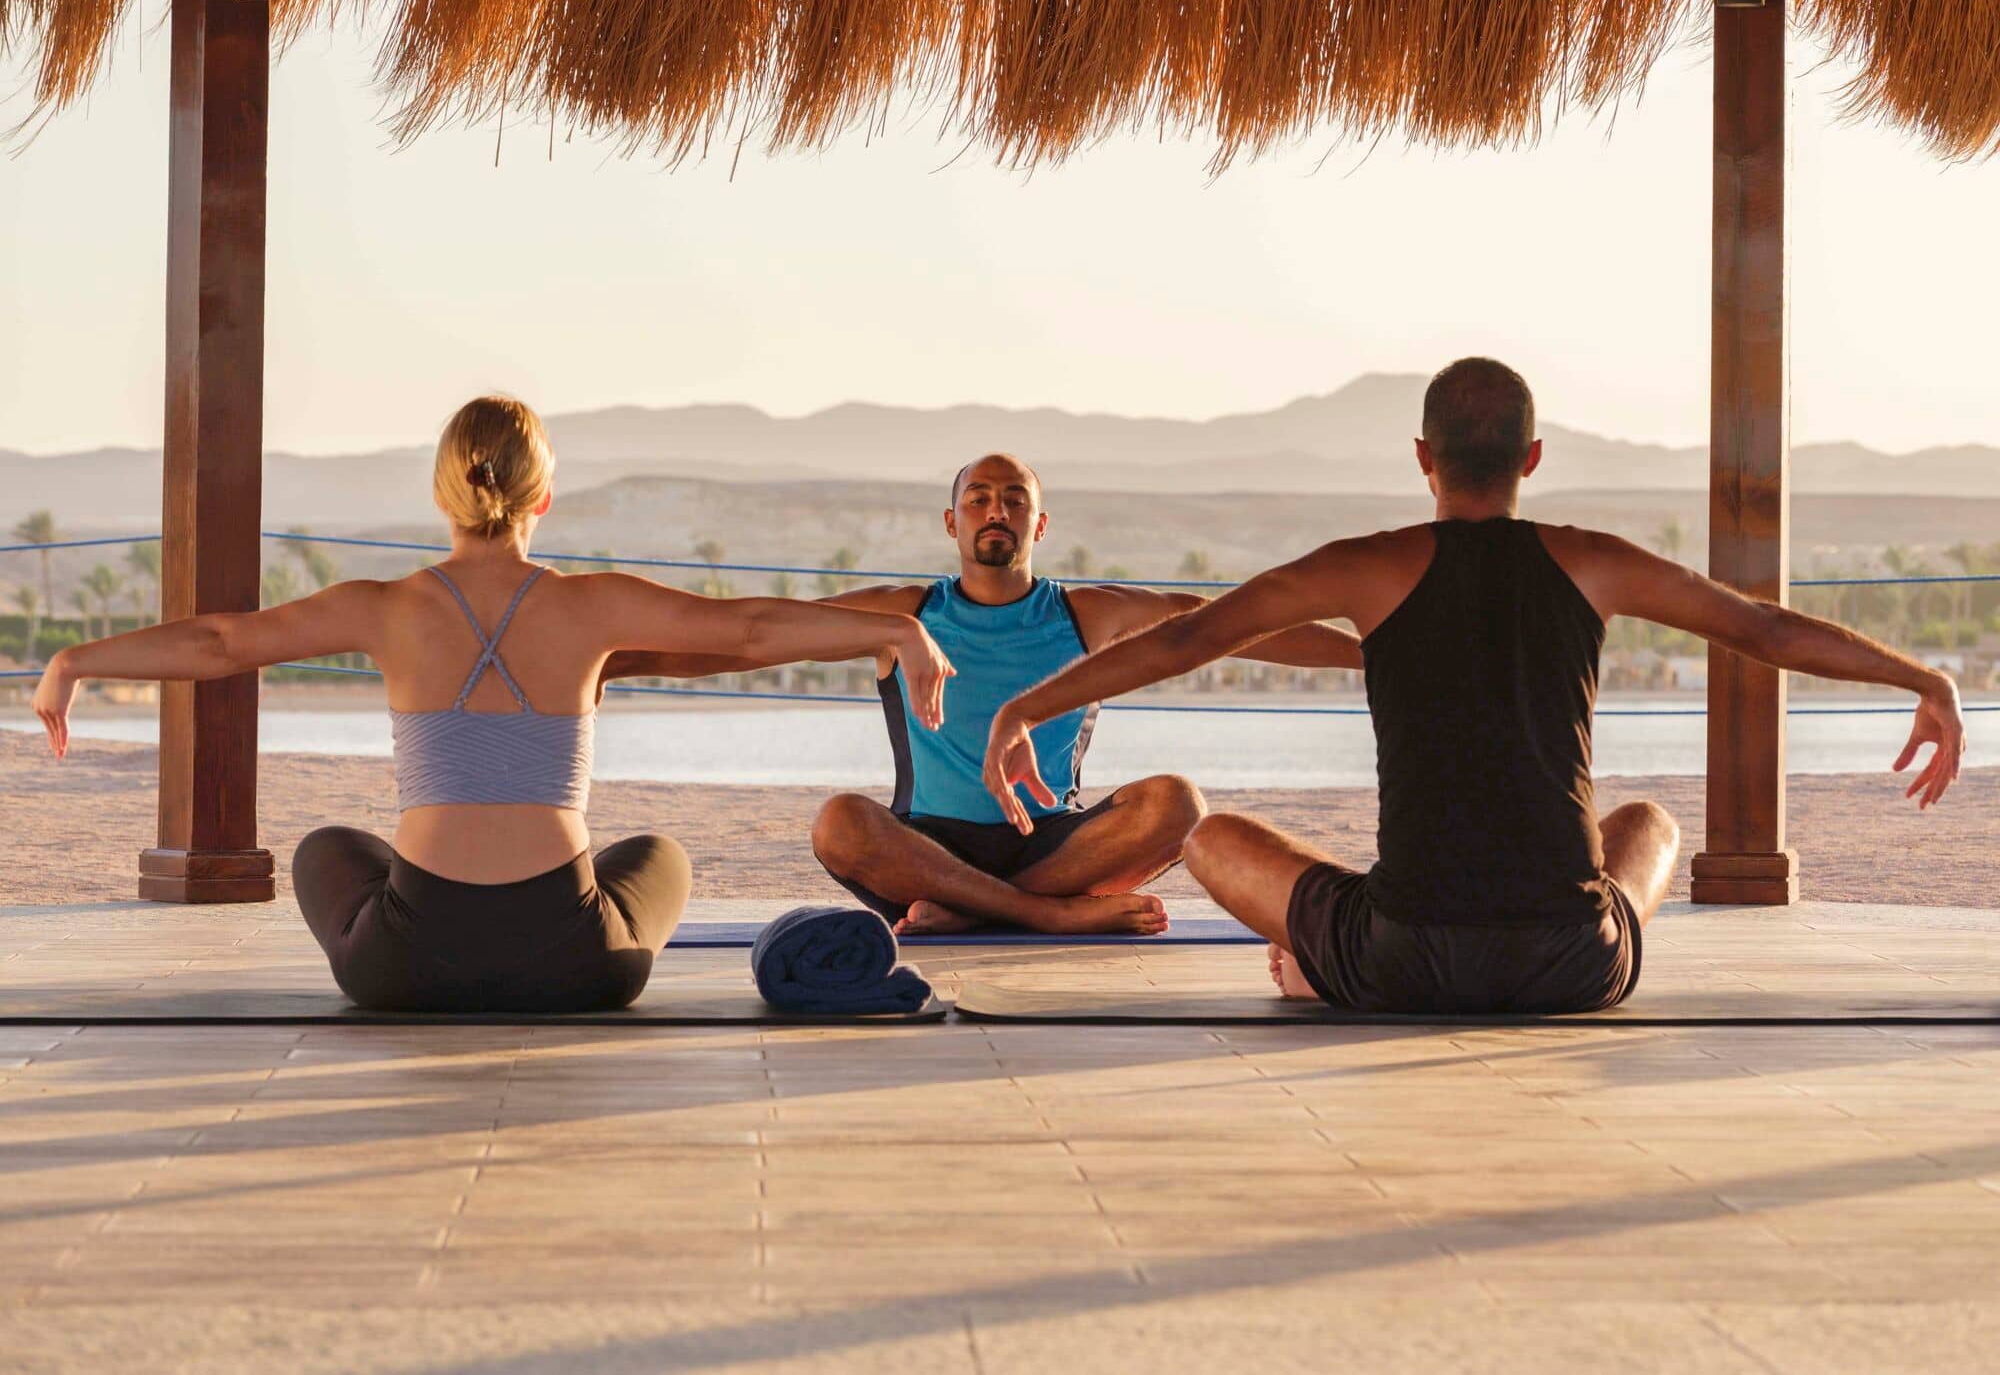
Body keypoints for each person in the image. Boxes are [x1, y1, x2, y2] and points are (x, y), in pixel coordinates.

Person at [981, 358, 1968, 1013]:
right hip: (1570, 965)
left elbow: (1184, 638)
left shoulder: (1365, 566)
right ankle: (1383, 945)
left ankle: (1323, 966)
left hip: (1399, 956)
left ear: (1422, 460)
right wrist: (1918, 675)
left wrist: (1027, 706)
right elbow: (1762, 627)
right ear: (1530, 460)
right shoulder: (1591, 561)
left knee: (1210, 838)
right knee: (1649, 828)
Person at [31, 396, 953, 1012]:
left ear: (441, 493)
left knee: (326, 849)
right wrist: (897, 632)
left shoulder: (382, 608)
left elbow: (220, 643)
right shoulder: (593, 604)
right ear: (543, 496)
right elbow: (751, 628)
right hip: (578, 966)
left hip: (405, 967)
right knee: (657, 853)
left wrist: (75, 658)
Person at [605, 452, 1361, 935]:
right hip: (926, 849)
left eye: (1012, 500)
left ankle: (971, 915)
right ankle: (1041, 918)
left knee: (1177, 804)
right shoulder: (901, 614)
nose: (996, 511)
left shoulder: (1086, 613)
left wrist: (1372, 657)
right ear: (951, 520)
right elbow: (748, 642)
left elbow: (1229, 626)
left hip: (1056, 845)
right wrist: (608, 661)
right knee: (840, 821)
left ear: (1039, 522)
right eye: (979, 499)